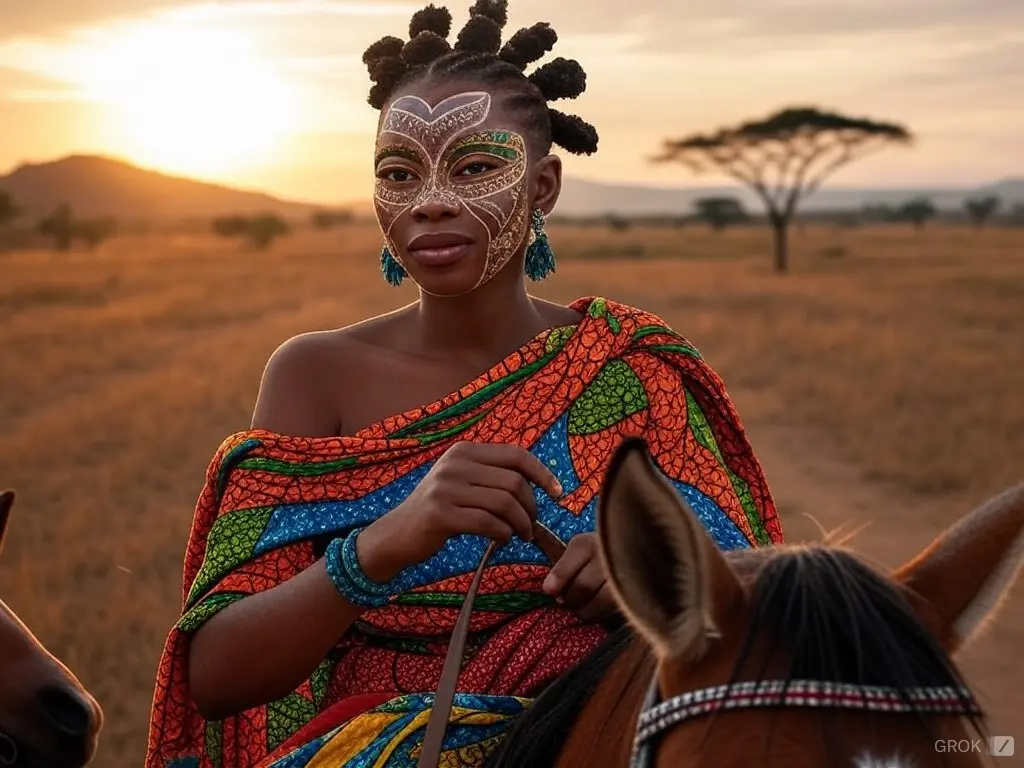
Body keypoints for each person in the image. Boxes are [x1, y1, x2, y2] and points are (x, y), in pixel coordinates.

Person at [144, 2, 784, 766]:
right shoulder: (316, 376)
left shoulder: (630, 370)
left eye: (476, 167)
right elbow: (215, 673)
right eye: (398, 173)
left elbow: (756, 627)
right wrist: (387, 541)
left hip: (611, 732)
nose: (431, 200)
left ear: (543, 185)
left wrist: (640, 588)